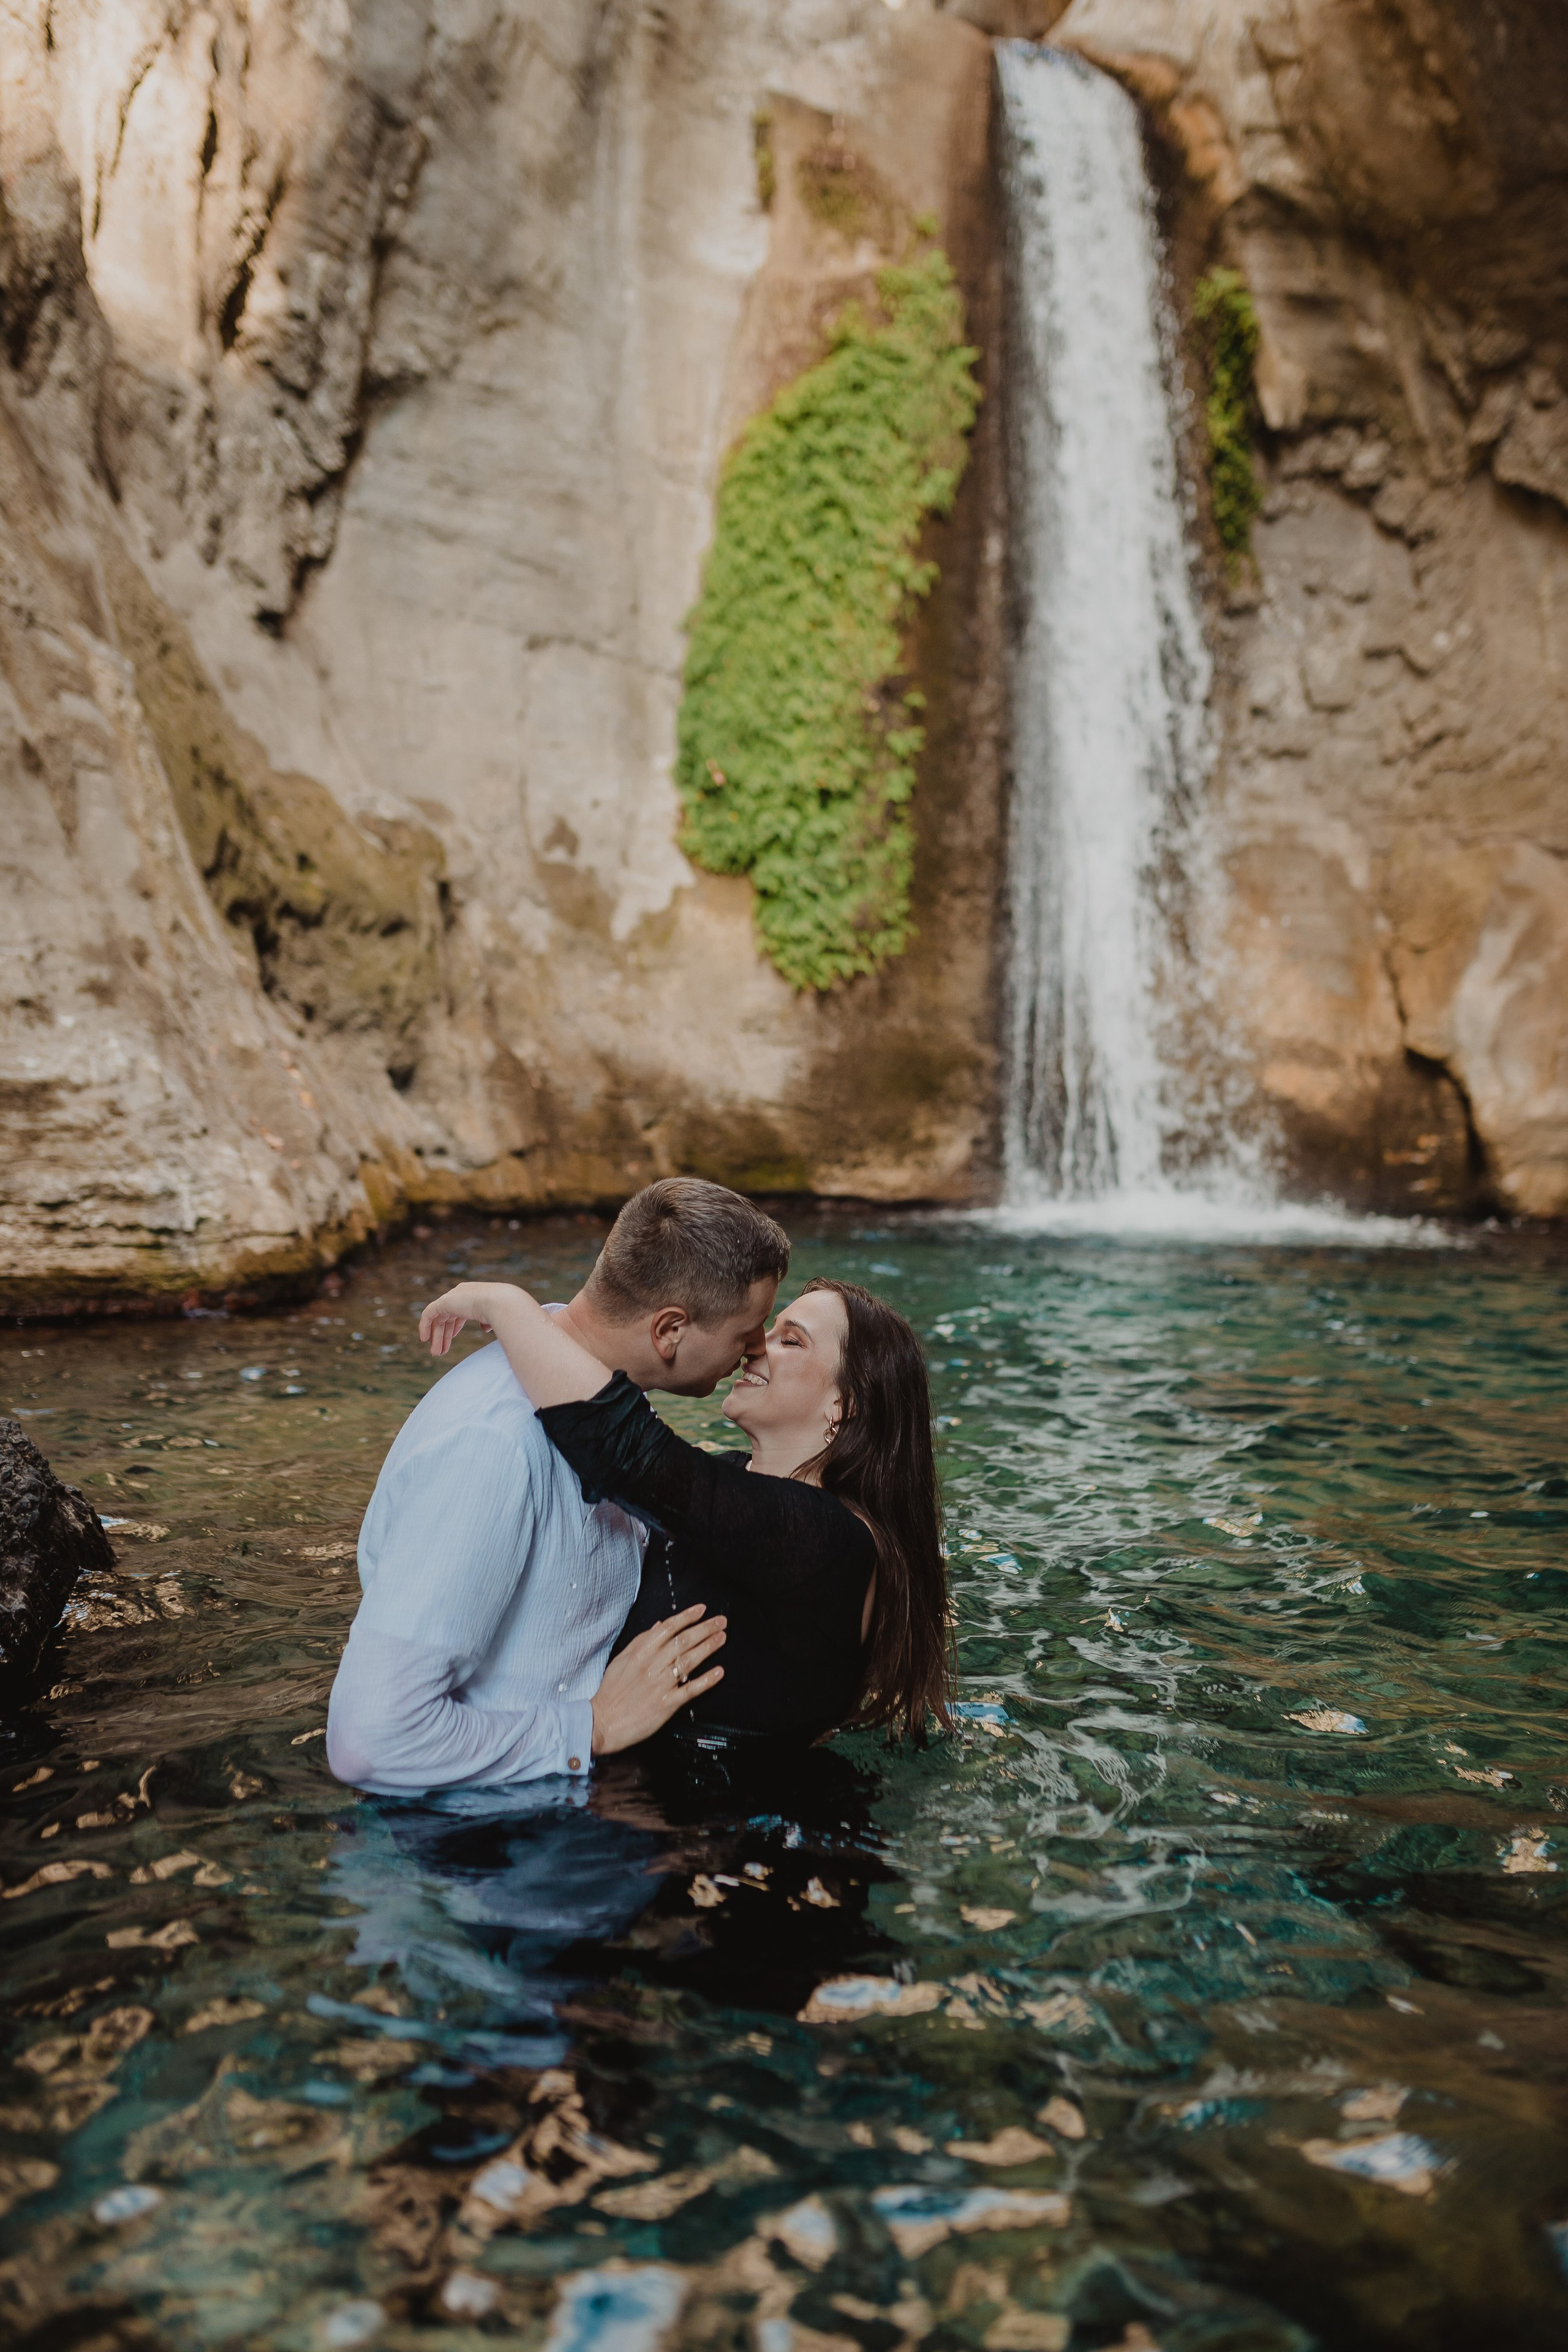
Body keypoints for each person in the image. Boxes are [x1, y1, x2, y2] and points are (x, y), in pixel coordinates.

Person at [325, 1179, 790, 1795]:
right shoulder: (493, 1448)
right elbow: (370, 1742)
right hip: (478, 1852)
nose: (758, 1348)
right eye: (748, 1330)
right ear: (670, 1330)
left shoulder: (589, 1386)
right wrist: (587, 1730)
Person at [415, 1272, 953, 1759]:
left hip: (752, 1846)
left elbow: (631, 1454)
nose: (754, 1347)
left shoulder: (831, 1541)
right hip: (652, 1813)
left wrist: (508, 1304)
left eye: (791, 1340)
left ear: (845, 1405)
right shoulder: (731, 1479)